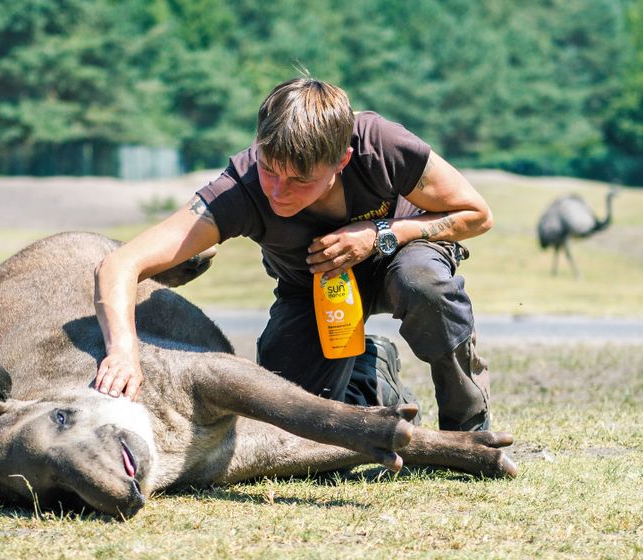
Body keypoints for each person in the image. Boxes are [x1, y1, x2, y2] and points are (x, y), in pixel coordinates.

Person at [93, 77, 493, 432]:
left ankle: (468, 426)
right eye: (270, 169)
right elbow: (121, 264)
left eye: (301, 179)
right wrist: (123, 351)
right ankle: (370, 375)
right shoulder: (242, 190)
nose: (278, 192)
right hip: (311, 292)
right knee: (291, 426)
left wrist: (382, 233)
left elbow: (476, 214)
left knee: (422, 282)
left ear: (342, 161)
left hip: (402, 257)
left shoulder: (379, 145)